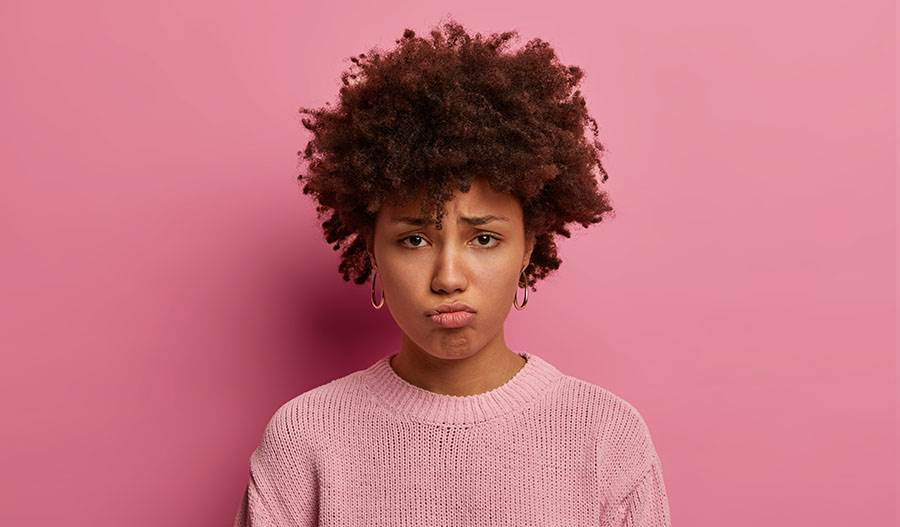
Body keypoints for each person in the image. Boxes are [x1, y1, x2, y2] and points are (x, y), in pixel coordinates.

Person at [234, 18, 671, 527]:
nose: (447, 277)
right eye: (413, 239)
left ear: (528, 248)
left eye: (483, 238)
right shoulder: (305, 439)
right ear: (373, 251)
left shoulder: (605, 435)